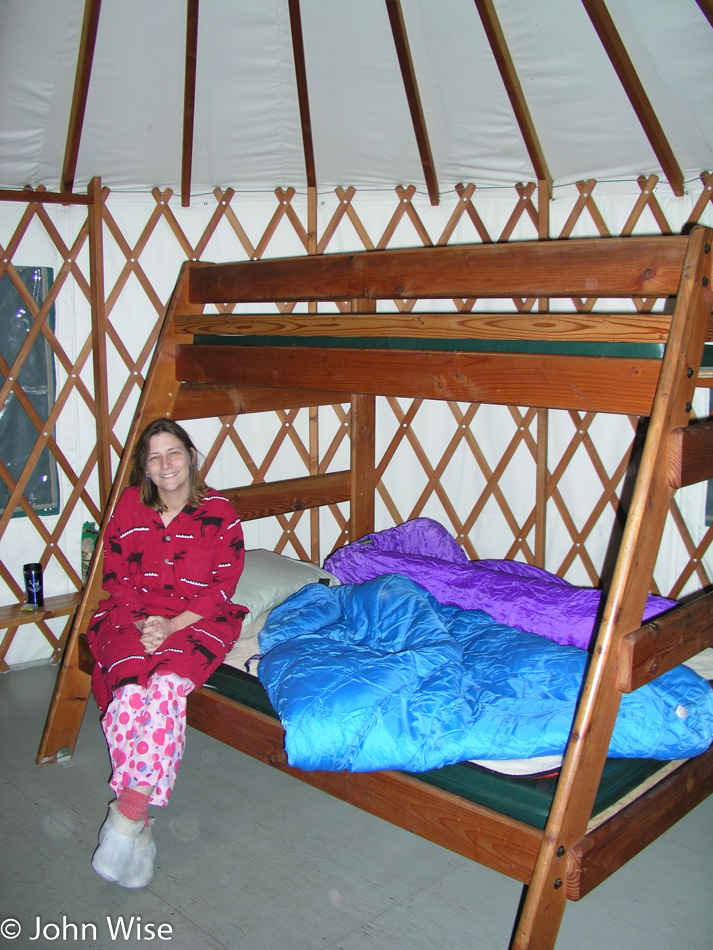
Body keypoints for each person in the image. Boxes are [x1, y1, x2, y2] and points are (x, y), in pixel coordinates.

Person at [87, 419, 245, 888]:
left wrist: (172, 625)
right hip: (129, 615)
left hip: (197, 621)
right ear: (145, 468)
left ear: (191, 457)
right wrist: (143, 623)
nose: (165, 464)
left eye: (173, 453)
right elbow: (116, 575)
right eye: (154, 457)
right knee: (132, 690)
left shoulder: (220, 511)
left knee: (167, 687)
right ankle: (142, 828)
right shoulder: (129, 508)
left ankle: (127, 815)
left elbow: (222, 587)